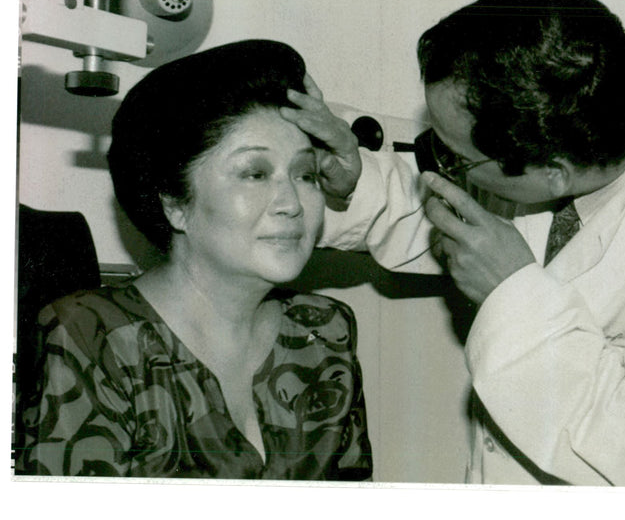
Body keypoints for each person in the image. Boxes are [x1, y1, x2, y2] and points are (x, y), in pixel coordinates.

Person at [280, 0, 625, 487]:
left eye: (452, 155)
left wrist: (512, 296)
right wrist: (355, 181)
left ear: (553, 174)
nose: (440, 162)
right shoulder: (582, 109)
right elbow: (456, 202)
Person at [15, 40, 372, 480]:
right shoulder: (90, 337)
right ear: (175, 204)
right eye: (255, 173)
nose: (292, 203)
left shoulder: (325, 331)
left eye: (305, 174)